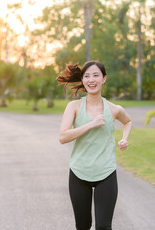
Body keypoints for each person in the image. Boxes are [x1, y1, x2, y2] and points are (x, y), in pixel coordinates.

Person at [57, 60, 132, 230]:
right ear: (82, 80)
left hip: (106, 172)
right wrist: (90, 124)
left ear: (104, 79)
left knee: (104, 227)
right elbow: (63, 137)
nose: (92, 79)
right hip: (79, 172)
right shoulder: (74, 107)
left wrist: (125, 138)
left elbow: (127, 122)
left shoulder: (114, 109)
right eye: (87, 76)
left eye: (96, 75)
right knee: (83, 226)